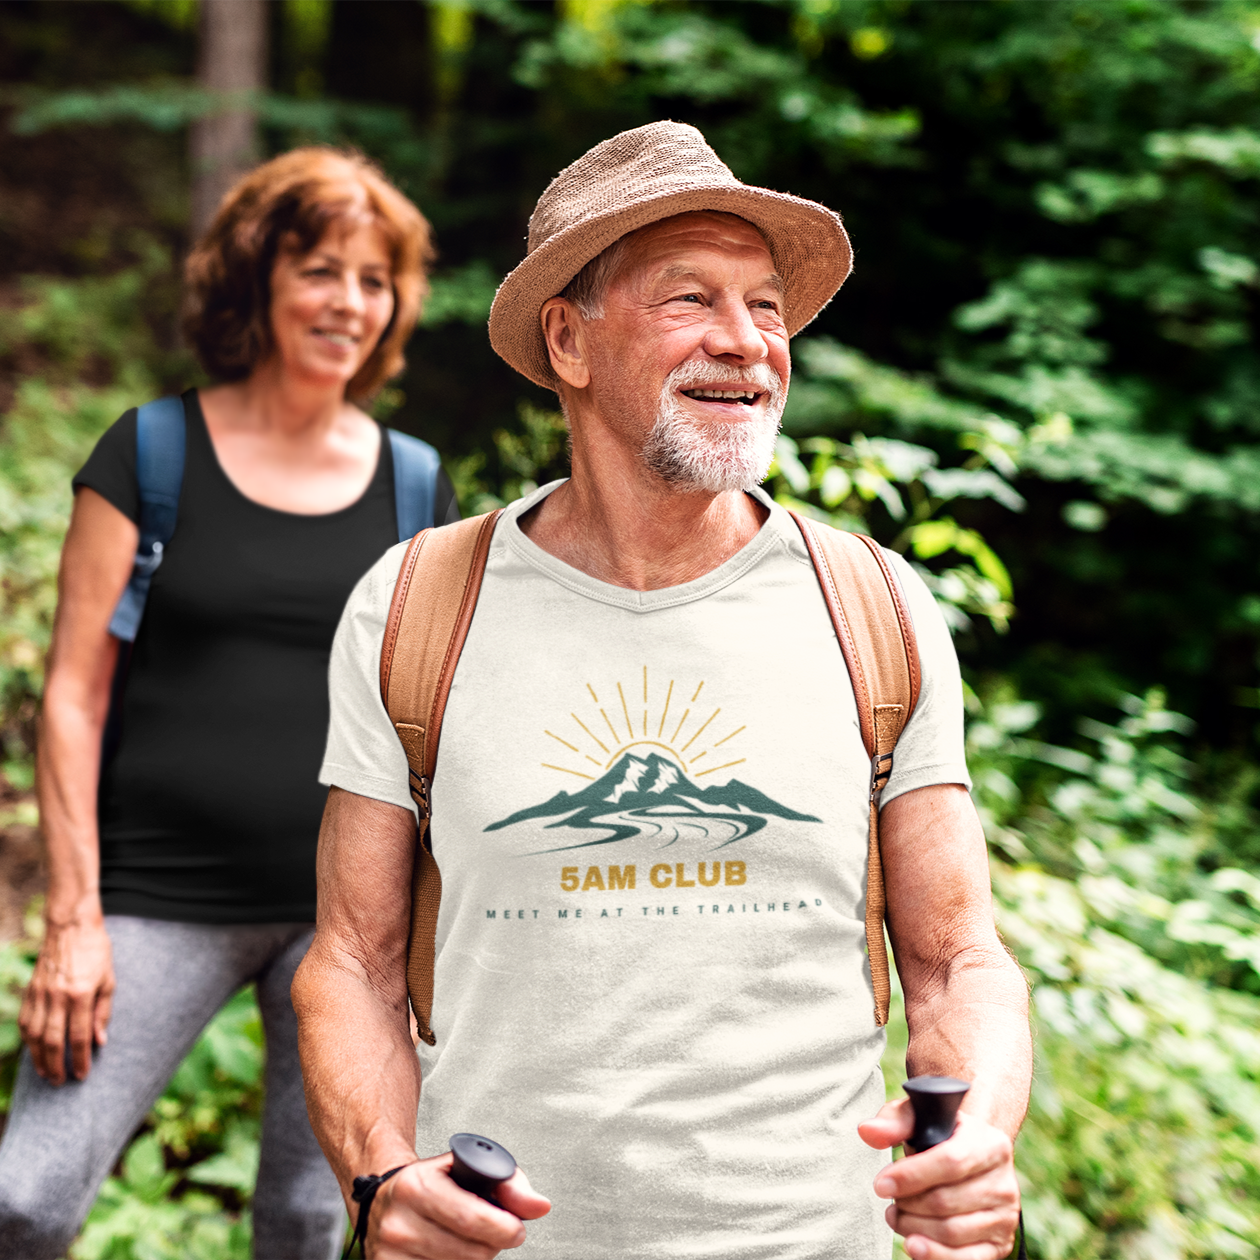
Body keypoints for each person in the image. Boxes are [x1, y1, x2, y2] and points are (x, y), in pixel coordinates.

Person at [293, 122, 1032, 1260]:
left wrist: (975, 1132)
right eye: (691, 299)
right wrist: (382, 1176)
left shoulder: (873, 606)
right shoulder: (416, 606)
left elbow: (957, 961)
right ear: (569, 341)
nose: (747, 344)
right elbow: (349, 963)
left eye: (768, 308)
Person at [0, 147, 459, 1260]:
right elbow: (72, 693)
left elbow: (430, 720)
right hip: (156, 895)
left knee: (309, 1222)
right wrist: (72, 918)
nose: (349, 301)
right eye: (320, 269)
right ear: (256, 278)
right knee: (26, 1198)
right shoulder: (151, 452)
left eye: (373, 277)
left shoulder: (415, 484)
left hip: (347, 923)